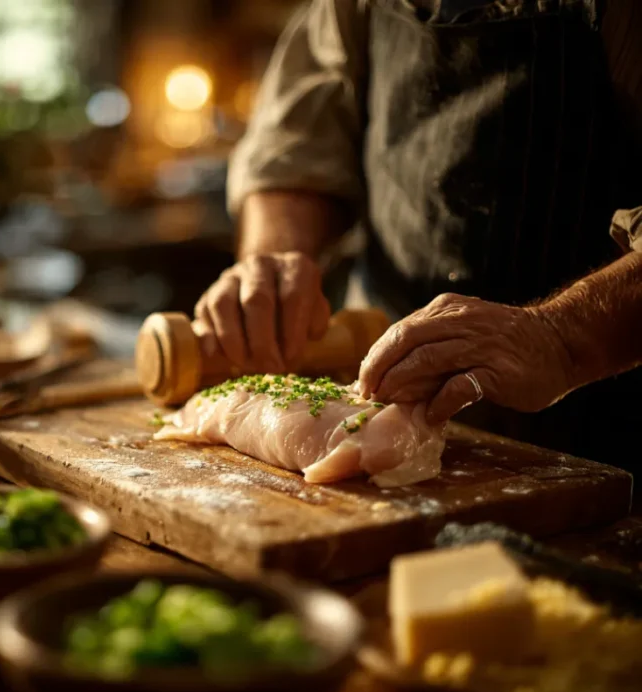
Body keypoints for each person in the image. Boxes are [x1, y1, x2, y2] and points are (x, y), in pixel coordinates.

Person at [196, 0, 642, 478]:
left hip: (602, 429)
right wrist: (275, 259)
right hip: (372, 397)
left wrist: (561, 339)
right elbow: (298, 142)